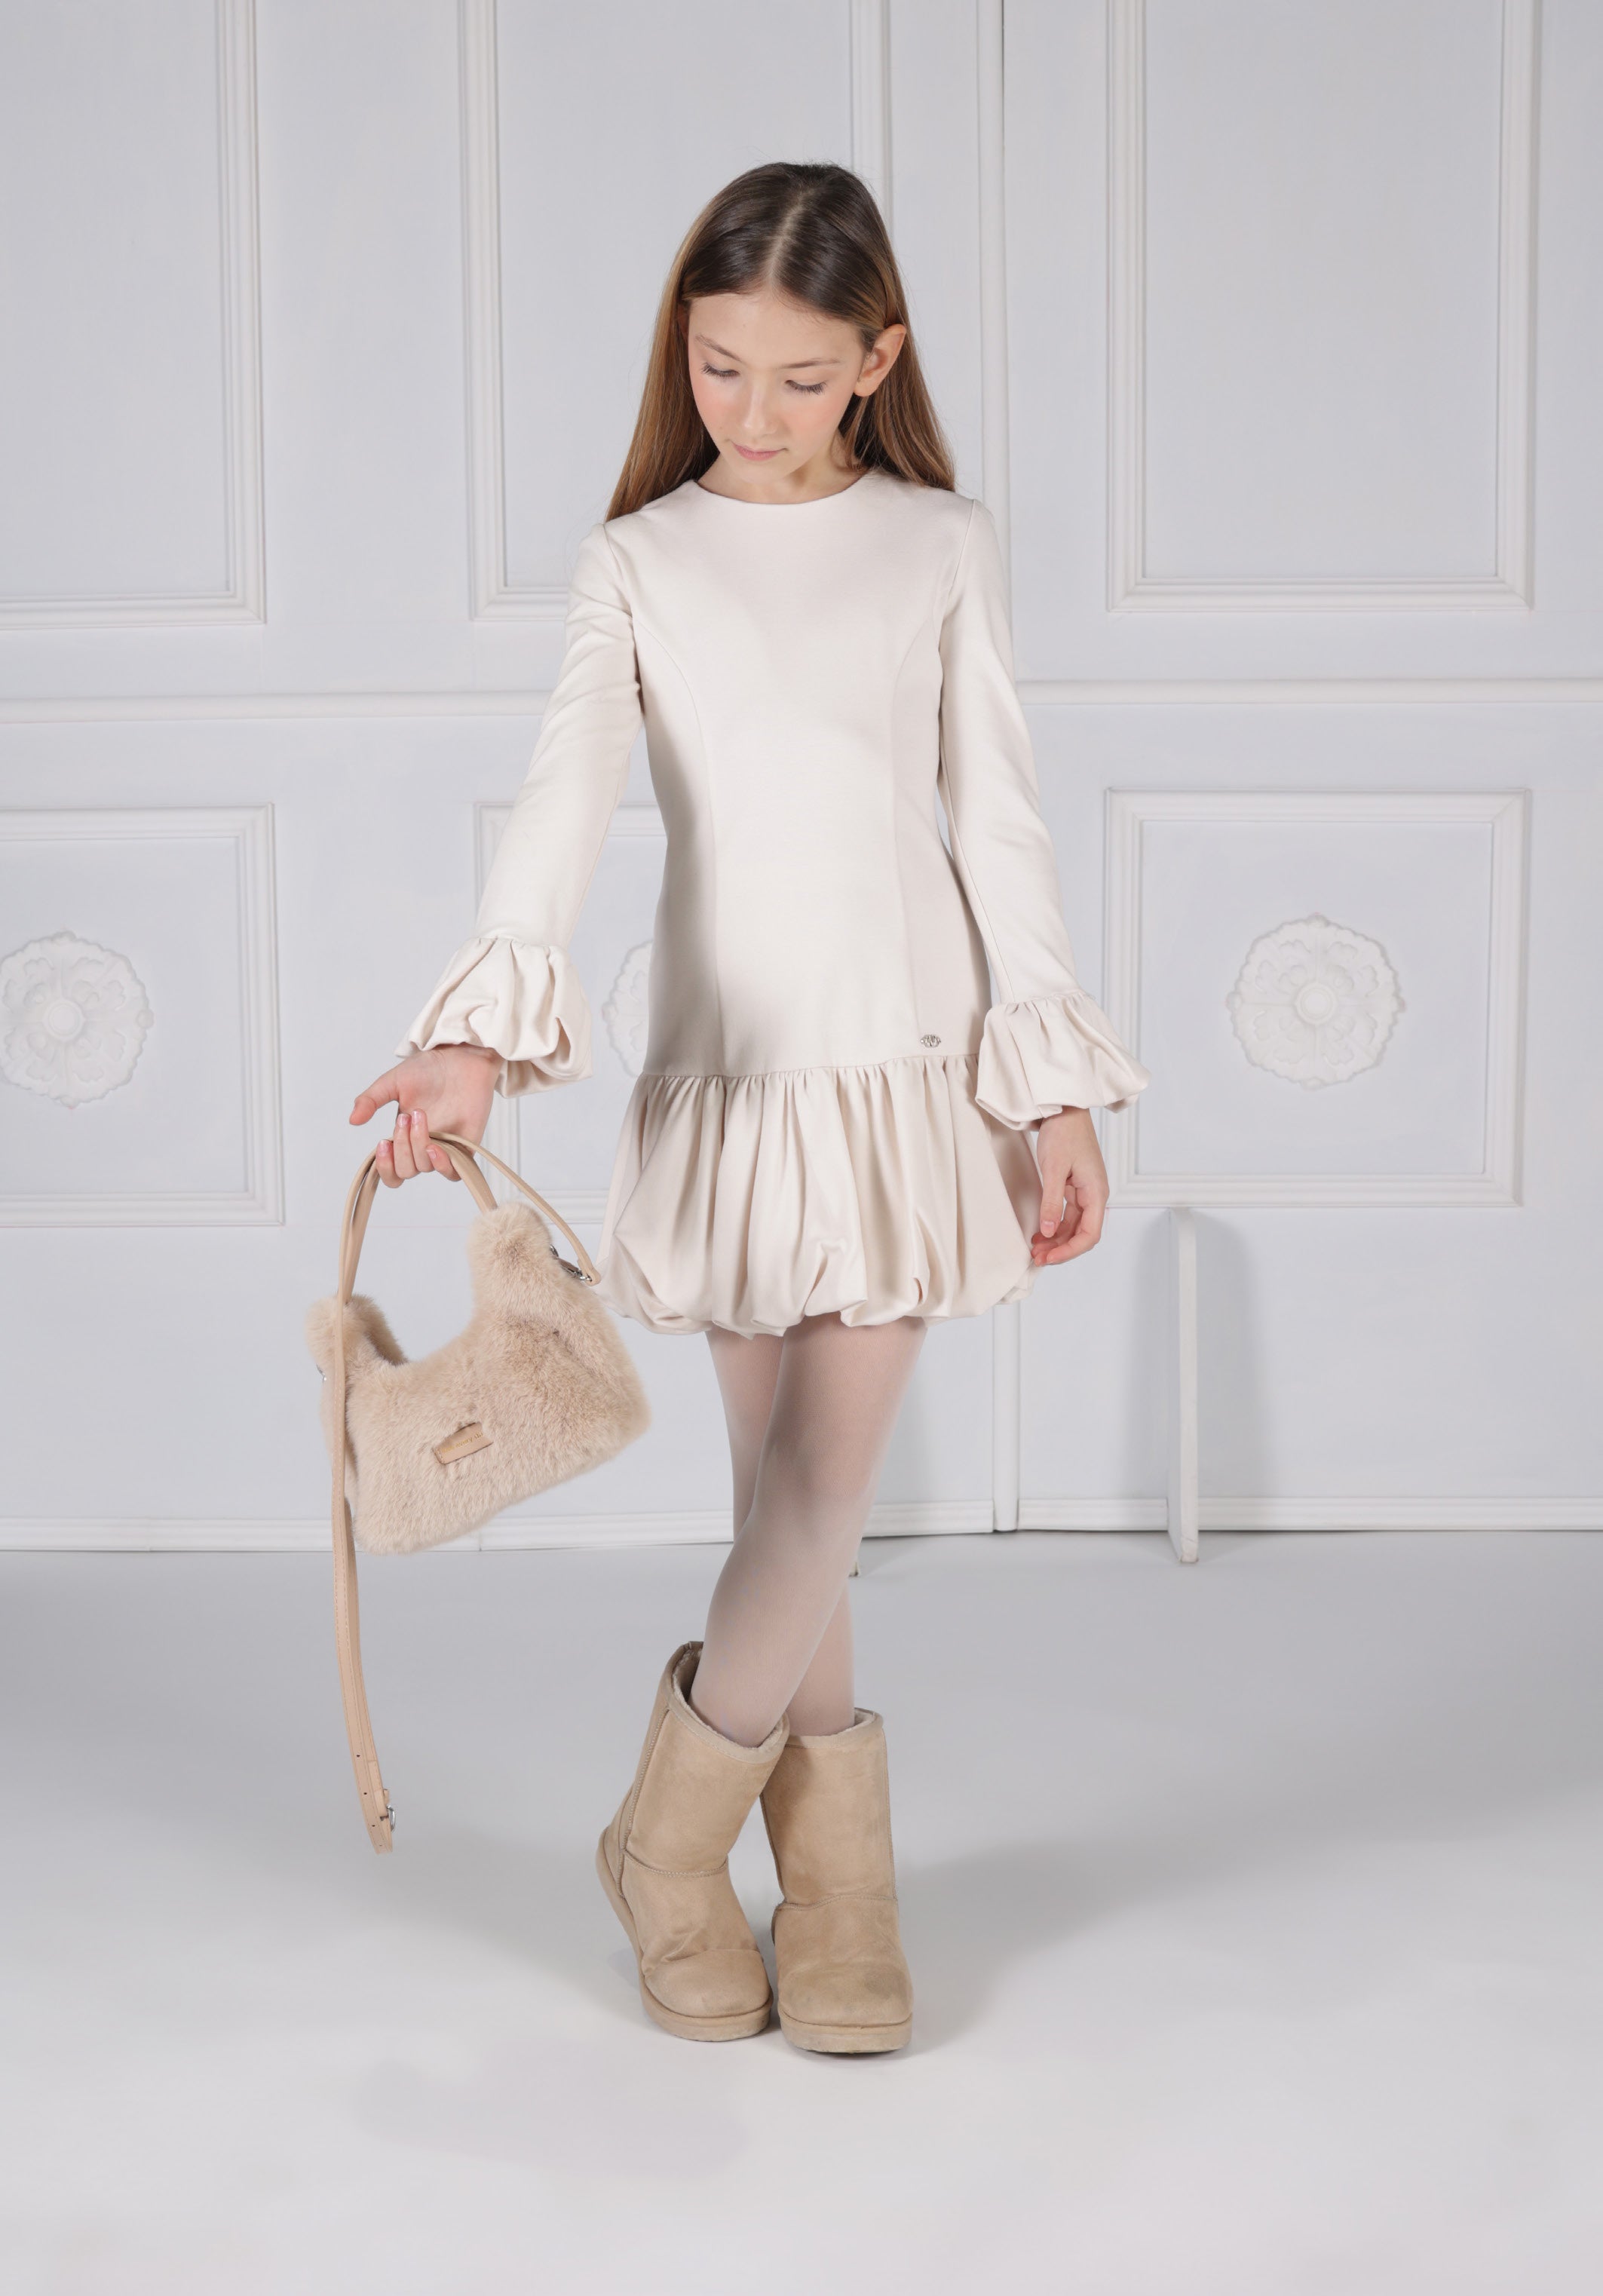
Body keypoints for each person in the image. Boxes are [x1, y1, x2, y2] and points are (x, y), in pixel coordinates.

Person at [348, 161, 1150, 2055]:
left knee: (818, 1490)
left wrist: (1049, 1086)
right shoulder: (642, 558)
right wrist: (476, 1037)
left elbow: (1001, 819)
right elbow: (563, 797)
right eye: (721, 368)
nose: (756, 410)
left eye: (801, 375)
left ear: (877, 358)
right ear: (681, 349)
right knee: (783, 1504)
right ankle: (838, 1883)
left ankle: (664, 1844)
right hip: (727, 1073)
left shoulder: (940, 542)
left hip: (903, 1070)